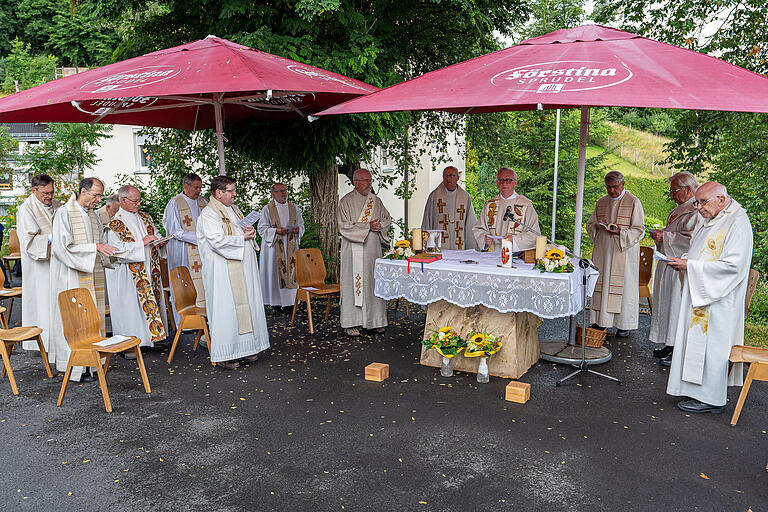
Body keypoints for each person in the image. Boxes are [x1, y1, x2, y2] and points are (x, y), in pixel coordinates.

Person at [665, 182, 753, 414]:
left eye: (704, 202)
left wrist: (691, 266)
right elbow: (700, 250)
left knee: (713, 347)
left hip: (720, 298)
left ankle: (712, 399)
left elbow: (733, 265)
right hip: (704, 292)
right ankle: (697, 391)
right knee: (698, 345)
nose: (699, 207)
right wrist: (685, 261)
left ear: (722, 200)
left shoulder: (737, 222)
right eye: (697, 202)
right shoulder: (714, 218)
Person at [49, 177, 118, 382]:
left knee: (93, 317)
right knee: (77, 319)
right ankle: (78, 367)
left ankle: (94, 363)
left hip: (93, 273)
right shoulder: (64, 213)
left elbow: (101, 242)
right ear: (83, 191)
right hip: (73, 275)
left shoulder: (94, 216)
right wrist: (94, 248)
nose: (98, 199)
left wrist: (112, 252)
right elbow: (62, 247)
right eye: (95, 195)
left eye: (100, 195)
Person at [197, 176, 269, 369]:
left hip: (242, 268)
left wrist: (249, 232)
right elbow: (216, 241)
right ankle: (225, 355)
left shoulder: (233, 210)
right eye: (231, 191)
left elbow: (239, 232)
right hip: (222, 272)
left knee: (247, 306)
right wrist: (241, 236)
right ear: (218, 193)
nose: (234, 194)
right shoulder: (209, 214)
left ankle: (246, 349)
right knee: (226, 310)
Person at [648, 172, 703, 366]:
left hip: (682, 266)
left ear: (688, 189)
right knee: (667, 304)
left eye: (675, 190)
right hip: (669, 262)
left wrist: (667, 237)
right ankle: (669, 342)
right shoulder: (679, 209)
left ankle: (678, 348)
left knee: (677, 306)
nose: (671, 194)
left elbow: (693, 241)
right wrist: (661, 236)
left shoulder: (697, 211)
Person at [105, 185, 169, 351]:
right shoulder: (115, 224)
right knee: (131, 308)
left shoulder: (145, 217)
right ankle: (131, 344)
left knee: (150, 303)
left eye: (139, 200)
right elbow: (116, 250)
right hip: (128, 274)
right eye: (135, 200)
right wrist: (142, 244)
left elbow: (154, 234)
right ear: (123, 200)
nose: (138, 204)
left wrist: (160, 240)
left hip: (149, 267)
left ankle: (152, 338)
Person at [586, 171, 645, 337]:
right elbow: (590, 223)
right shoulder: (602, 202)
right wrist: (597, 226)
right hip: (604, 251)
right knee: (602, 284)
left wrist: (621, 232)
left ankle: (623, 324)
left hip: (622, 251)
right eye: (608, 187)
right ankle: (600, 321)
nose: (611, 191)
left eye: (614, 187)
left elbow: (639, 229)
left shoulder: (633, 202)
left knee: (623, 287)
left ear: (623, 185)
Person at [338, 168, 391, 337]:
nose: (370, 184)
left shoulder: (376, 201)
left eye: (370, 180)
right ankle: (352, 323)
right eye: (366, 181)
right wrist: (367, 226)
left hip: (372, 249)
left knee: (371, 283)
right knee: (353, 285)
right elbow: (343, 226)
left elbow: (387, 219)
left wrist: (380, 226)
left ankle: (374, 322)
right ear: (356, 182)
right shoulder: (345, 202)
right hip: (352, 252)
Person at [18, 174, 61, 354]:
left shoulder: (58, 205)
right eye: (45, 193)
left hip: (57, 262)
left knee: (58, 303)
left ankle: (60, 340)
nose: (49, 197)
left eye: (51, 192)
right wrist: (53, 237)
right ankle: (45, 343)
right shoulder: (26, 209)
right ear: (33, 190)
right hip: (39, 265)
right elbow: (28, 240)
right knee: (43, 304)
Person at [163, 173, 208, 324]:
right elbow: (174, 231)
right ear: (186, 186)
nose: (199, 191)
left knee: (203, 283)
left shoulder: (203, 202)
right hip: (182, 251)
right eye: (196, 188)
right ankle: (187, 323)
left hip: (202, 252)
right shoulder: (175, 203)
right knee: (185, 284)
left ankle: (205, 319)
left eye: (200, 188)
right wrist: (199, 238)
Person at [257, 183, 304, 310]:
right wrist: (276, 231)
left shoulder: (294, 208)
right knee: (275, 273)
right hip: (274, 249)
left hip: (291, 247)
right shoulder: (267, 209)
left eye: (285, 190)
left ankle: (290, 303)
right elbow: (261, 229)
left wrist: (297, 229)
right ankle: (276, 303)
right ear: (273, 194)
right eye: (279, 191)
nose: (283, 193)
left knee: (291, 271)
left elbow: (301, 225)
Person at [472, 167, 540, 252]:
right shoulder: (490, 205)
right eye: (501, 180)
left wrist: (514, 239)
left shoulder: (525, 205)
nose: (504, 183)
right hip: (492, 255)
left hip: (515, 257)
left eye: (508, 180)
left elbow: (534, 234)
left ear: (515, 183)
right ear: (497, 183)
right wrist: (484, 239)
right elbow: (478, 229)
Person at [421, 166, 478, 250]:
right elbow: (427, 220)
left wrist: (472, 247)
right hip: (439, 246)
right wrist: (425, 243)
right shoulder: (435, 196)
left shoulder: (465, 197)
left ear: (457, 178)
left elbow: (470, 223)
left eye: (451, 175)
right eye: (445, 176)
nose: (448, 178)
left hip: (459, 245)